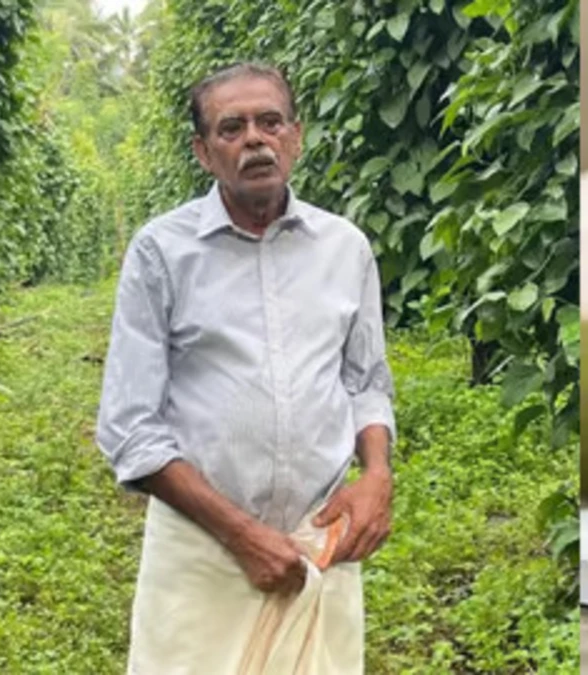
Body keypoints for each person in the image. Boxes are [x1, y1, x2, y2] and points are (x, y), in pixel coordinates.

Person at [96, 62, 395, 673]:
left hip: (320, 548)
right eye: (231, 128)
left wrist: (377, 476)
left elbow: (365, 382)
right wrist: (240, 534)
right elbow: (130, 428)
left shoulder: (346, 249)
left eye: (270, 121)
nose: (255, 139)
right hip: (203, 552)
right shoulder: (162, 253)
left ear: (296, 136)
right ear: (203, 152)